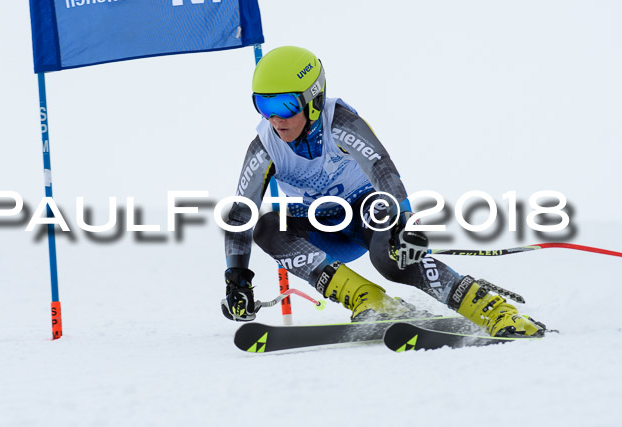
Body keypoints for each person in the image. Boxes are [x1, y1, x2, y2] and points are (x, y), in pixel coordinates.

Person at [221, 45, 545, 337]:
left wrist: (406, 222)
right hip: (322, 226)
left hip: (367, 210)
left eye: (286, 104)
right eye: (263, 105)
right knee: (267, 226)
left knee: (392, 258)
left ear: (314, 99)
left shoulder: (341, 124)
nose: (276, 118)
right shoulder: (264, 147)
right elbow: (240, 213)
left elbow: (381, 168)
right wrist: (237, 277)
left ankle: (493, 310)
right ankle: (369, 300)